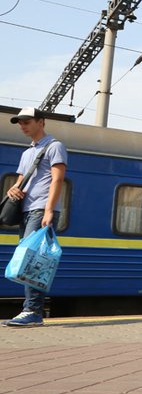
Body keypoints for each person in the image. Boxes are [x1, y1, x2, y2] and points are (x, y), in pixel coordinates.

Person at [3, 107, 67, 327]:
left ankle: (32, 311)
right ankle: (31, 310)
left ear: (41, 122)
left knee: (33, 260)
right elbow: (21, 181)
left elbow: (58, 180)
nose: (22, 126)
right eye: (20, 122)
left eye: (27, 121)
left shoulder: (55, 146)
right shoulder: (27, 152)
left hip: (41, 209)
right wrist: (13, 190)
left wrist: (49, 210)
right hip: (26, 209)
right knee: (27, 258)